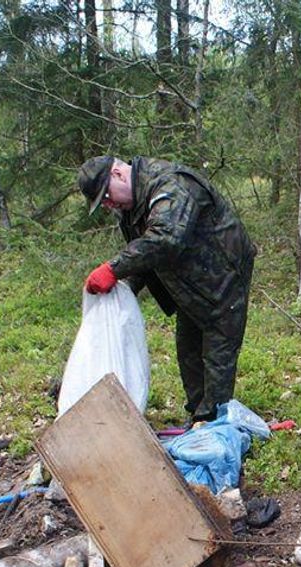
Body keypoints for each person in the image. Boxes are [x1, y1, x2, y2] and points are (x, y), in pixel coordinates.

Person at [77, 155, 256, 424]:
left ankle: (216, 427)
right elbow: (146, 259)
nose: (108, 204)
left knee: (218, 357)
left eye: (107, 196)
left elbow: (166, 239)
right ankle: (199, 417)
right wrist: (123, 288)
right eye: (103, 202)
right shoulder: (131, 207)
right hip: (188, 287)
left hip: (223, 281)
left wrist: (113, 269)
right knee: (189, 354)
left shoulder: (169, 184)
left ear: (118, 175)